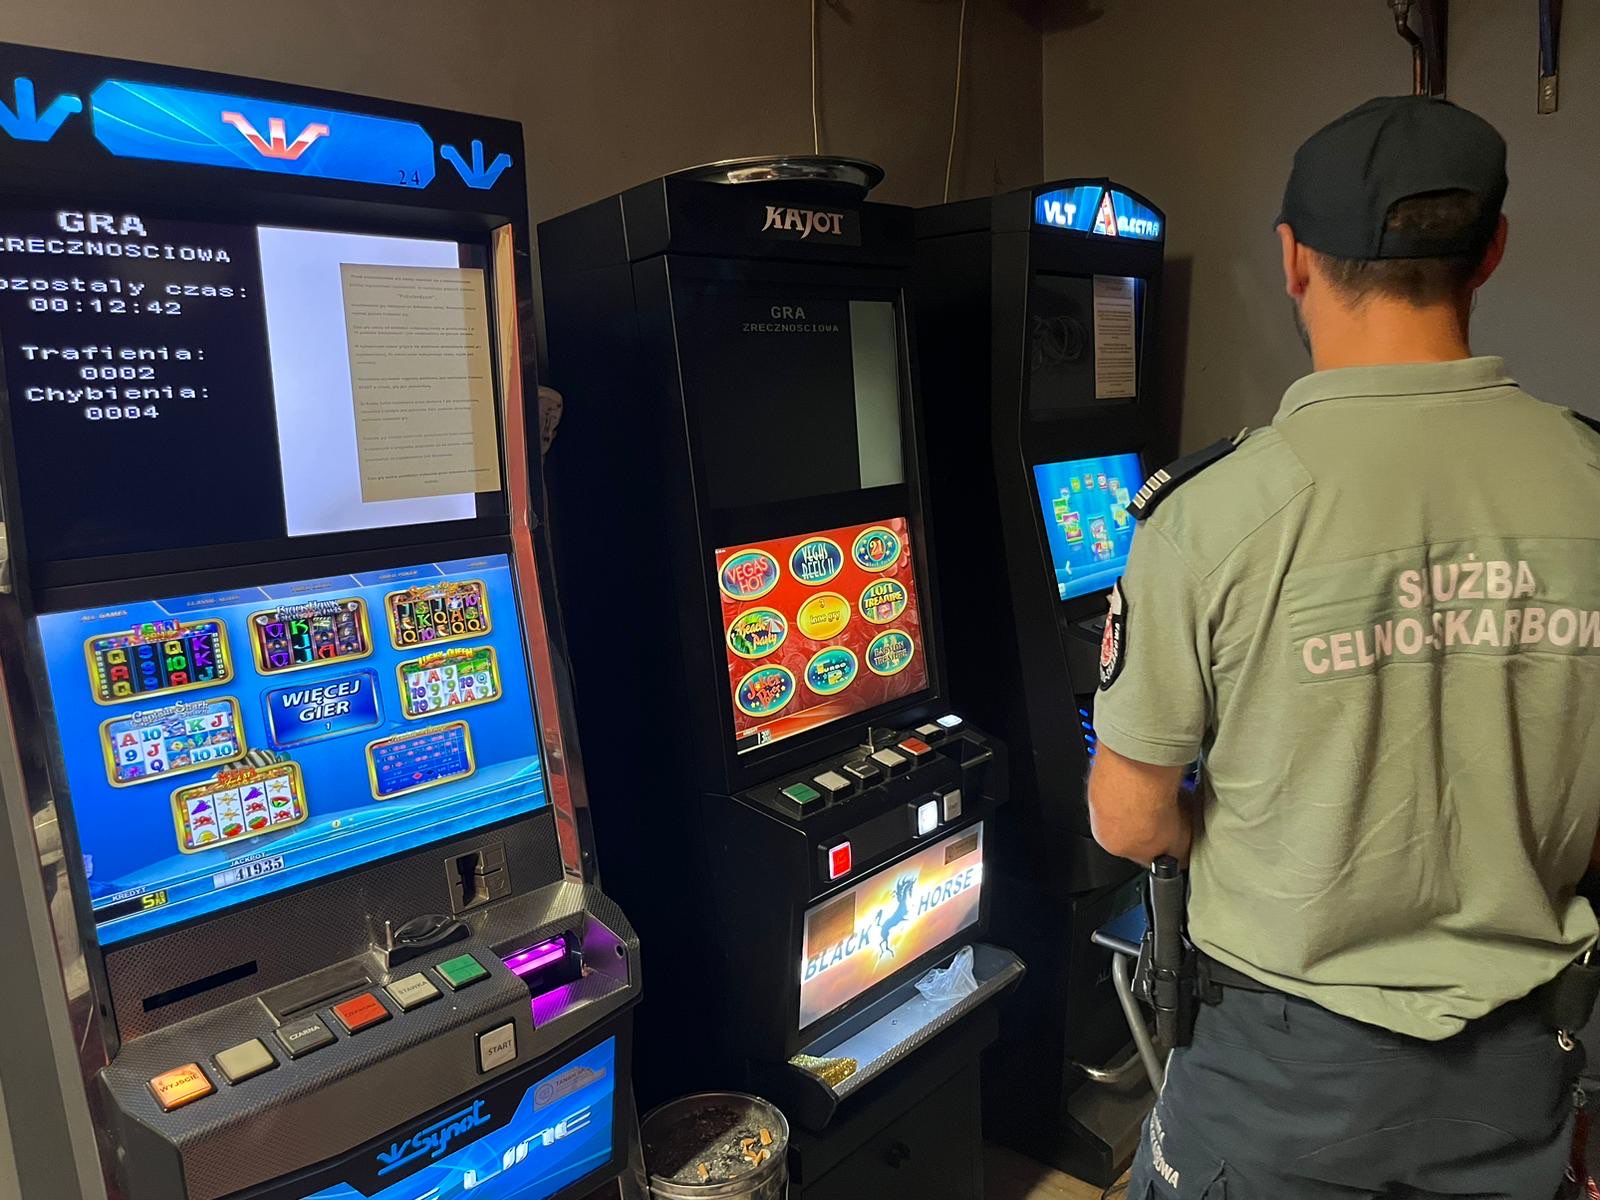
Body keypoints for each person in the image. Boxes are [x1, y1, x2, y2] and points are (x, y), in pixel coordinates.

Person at [1088, 95, 1600, 1198]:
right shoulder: (1590, 478)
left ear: (1291, 259)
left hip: (1277, 1064)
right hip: (1522, 1057)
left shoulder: (1209, 512)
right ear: (1491, 252)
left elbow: (1128, 819)